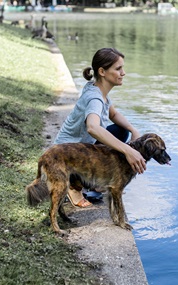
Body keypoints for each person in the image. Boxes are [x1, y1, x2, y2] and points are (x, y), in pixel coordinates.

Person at [53, 48, 146, 208]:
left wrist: (133, 130)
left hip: (80, 148)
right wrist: (127, 150)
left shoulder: (98, 90)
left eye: (122, 68)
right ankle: (74, 186)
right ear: (102, 71)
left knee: (120, 131)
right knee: (118, 142)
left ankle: (95, 183)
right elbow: (92, 127)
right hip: (65, 156)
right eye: (118, 69)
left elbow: (114, 114)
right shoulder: (95, 97)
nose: (123, 73)